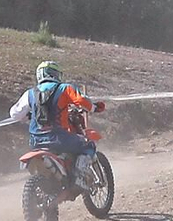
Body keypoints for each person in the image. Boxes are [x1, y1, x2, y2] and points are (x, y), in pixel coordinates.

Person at [9, 61, 105, 191]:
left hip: (36, 141)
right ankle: (80, 172)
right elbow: (81, 101)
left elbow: (14, 114)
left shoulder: (30, 93)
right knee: (88, 144)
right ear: (56, 74)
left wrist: (29, 116)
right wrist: (94, 107)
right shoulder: (64, 88)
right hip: (60, 139)